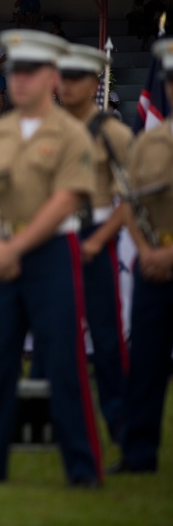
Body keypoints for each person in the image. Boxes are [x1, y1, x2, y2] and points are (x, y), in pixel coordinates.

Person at [0, 30, 102, 488]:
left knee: (64, 363)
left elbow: (67, 199)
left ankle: (82, 467)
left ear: (52, 76)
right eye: (15, 70)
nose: (20, 80)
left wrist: (13, 247)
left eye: (31, 71)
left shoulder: (72, 134)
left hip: (50, 253)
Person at [56, 43, 133, 443]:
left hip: (94, 237)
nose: (66, 85)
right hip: (53, 239)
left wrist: (100, 239)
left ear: (94, 82)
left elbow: (132, 198)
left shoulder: (113, 133)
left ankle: (119, 422)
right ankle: (47, 423)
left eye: (76, 78)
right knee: (52, 336)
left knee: (105, 337)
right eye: (62, 76)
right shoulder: (46, 129)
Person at [109, 39, 173, 474]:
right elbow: (127, 201)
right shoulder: (148, 143)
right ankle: (138, 454)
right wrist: (150, 251)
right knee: (147, 364)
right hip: (152, 265)